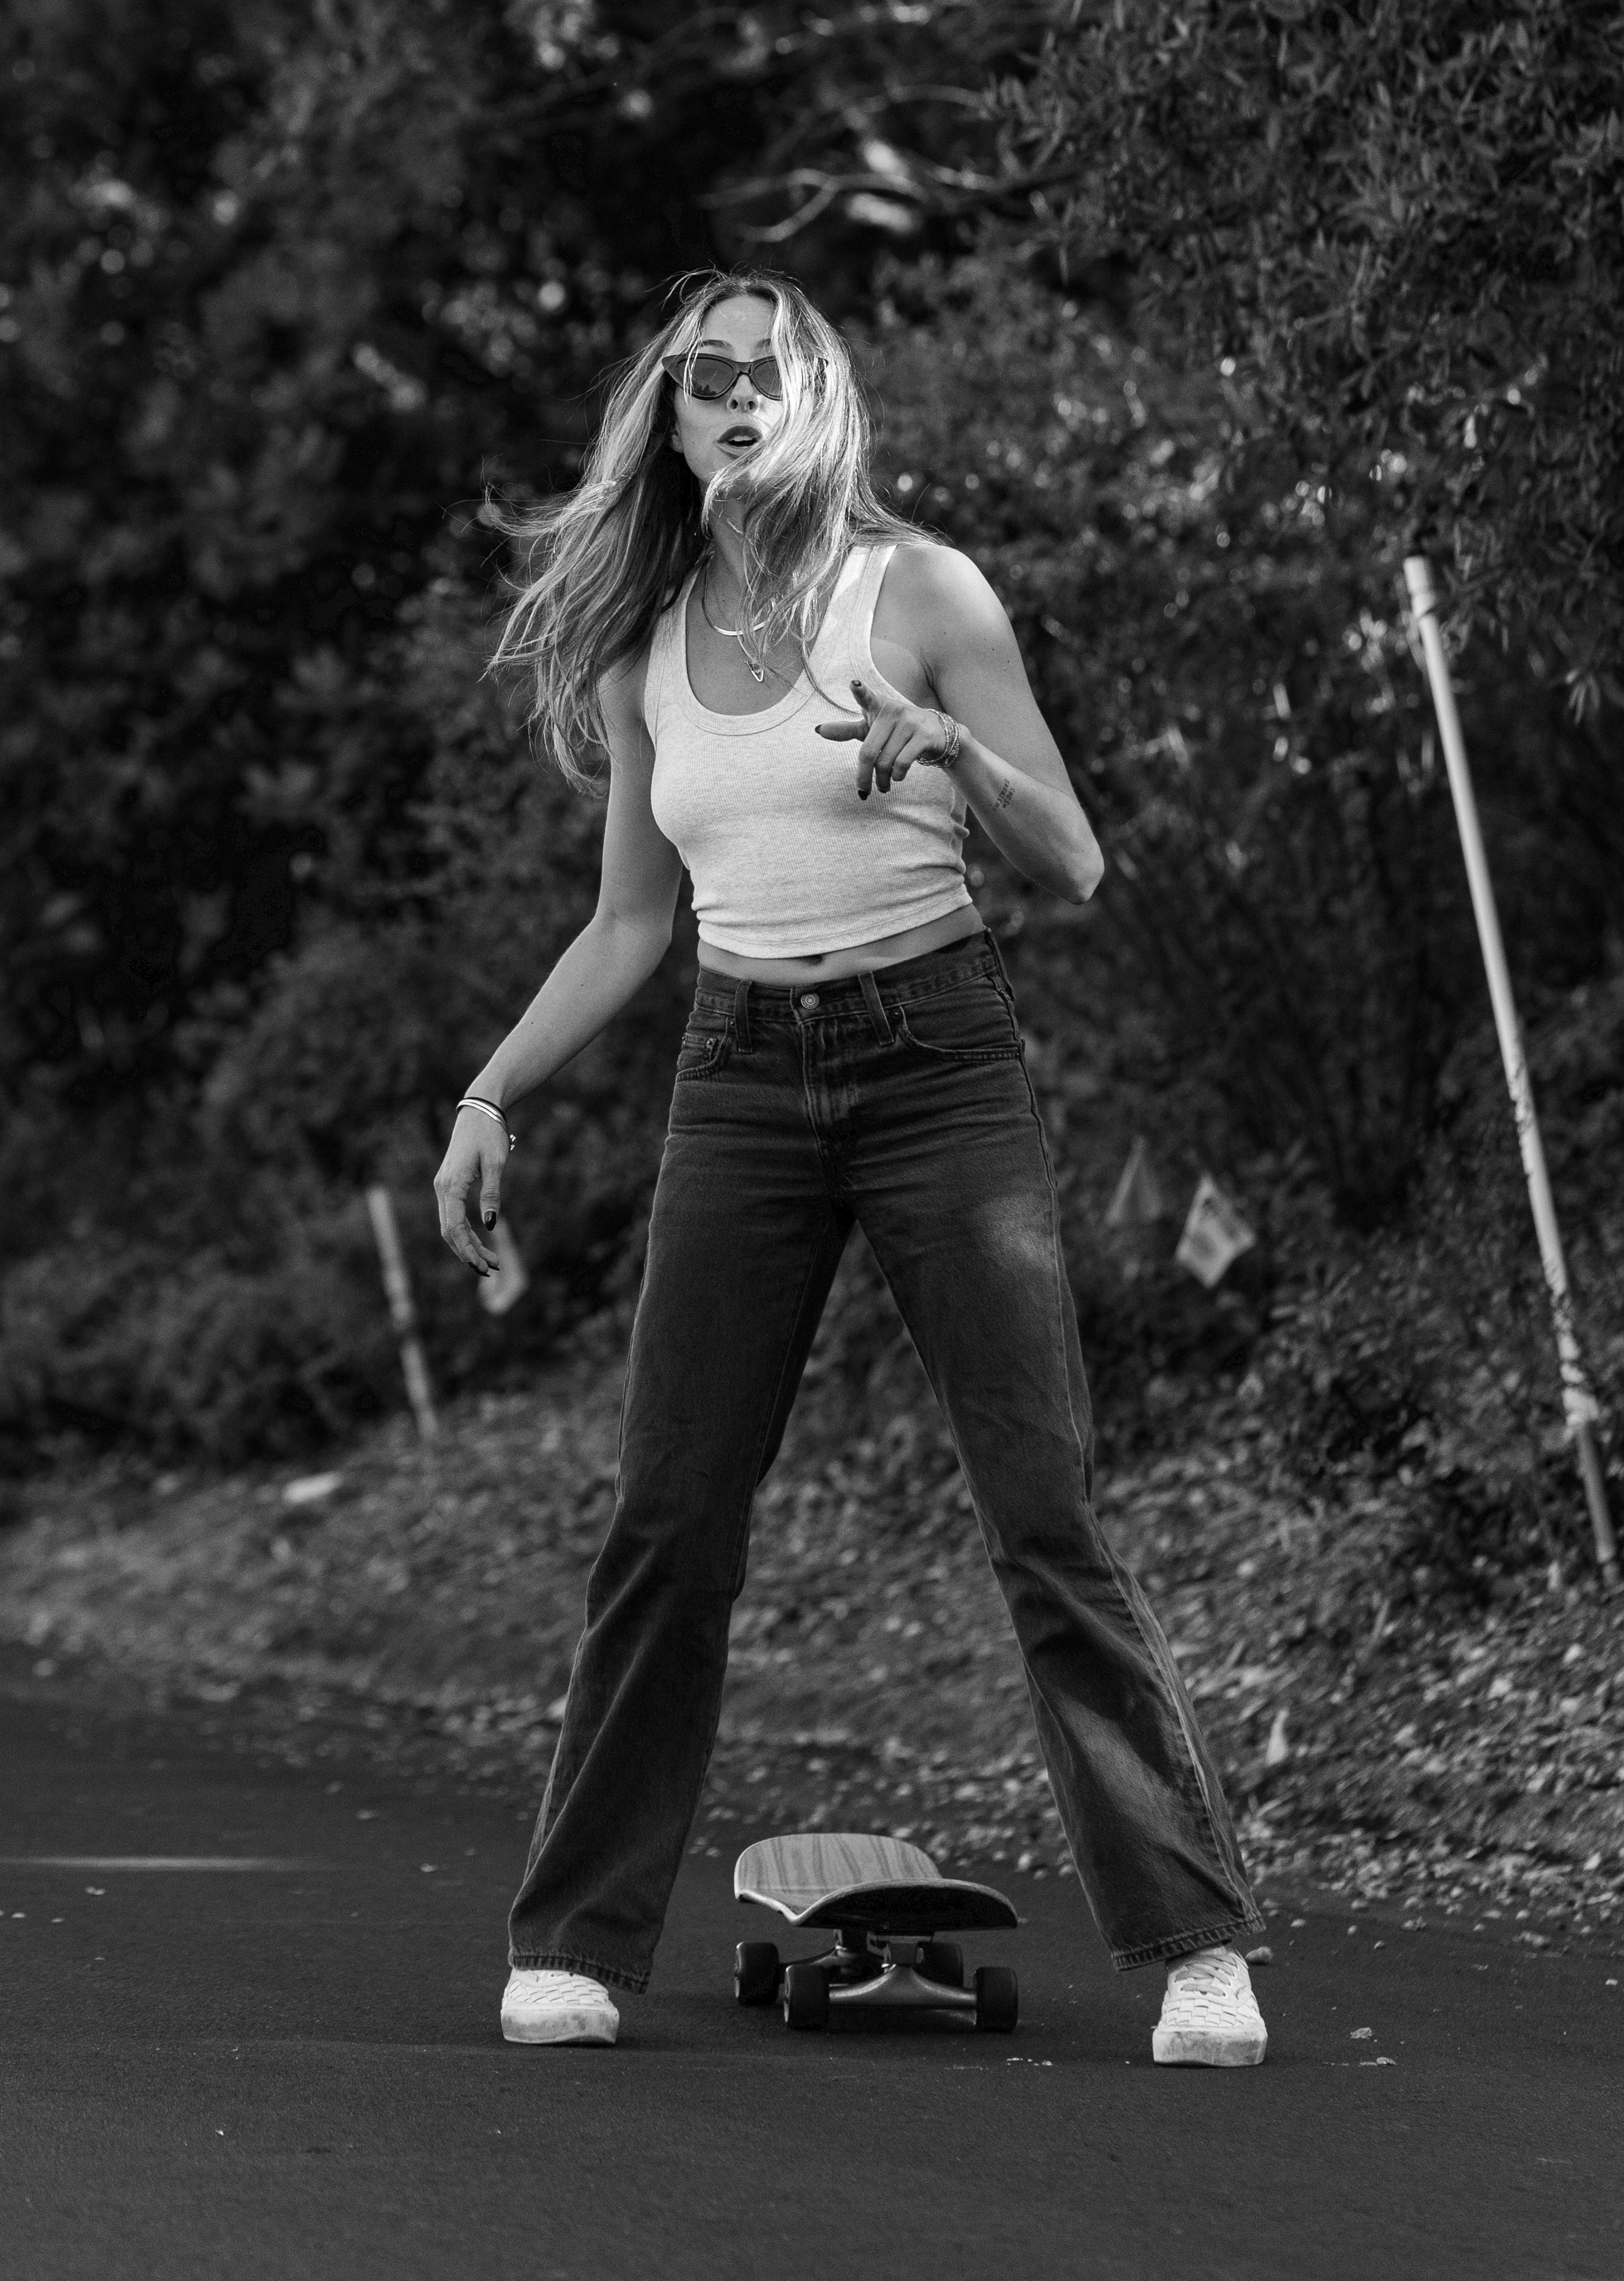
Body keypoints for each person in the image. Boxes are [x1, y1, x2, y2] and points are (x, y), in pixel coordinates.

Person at [432, 270, 1266, 2065]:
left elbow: (1080, 860)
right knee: (670, 1514)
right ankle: (574, 1936)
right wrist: (489, 1094)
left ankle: (1199, 1946)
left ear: (818, 393)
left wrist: (953, 749)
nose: (733, 392)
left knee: (1045, 1509)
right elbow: (628, 918)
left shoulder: (922, 589)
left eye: (766, 365)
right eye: (699, 374)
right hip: (737, 1080)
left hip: (935, 1065)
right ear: (668, 414)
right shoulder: (653, 636)